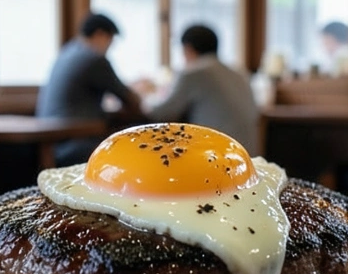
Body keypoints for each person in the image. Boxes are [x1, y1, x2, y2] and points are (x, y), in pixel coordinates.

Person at [37, 12, 142, 166]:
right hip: (75, 141)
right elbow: (129, 99)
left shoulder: (67, 52)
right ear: (100, 34)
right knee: (134, 142)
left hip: (51, 143)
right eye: (110, 41)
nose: (109, 48)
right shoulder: (94, 59)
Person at [146, 24, 260, 153]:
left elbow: (161, 112)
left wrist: (144, 98)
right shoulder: (239, 74)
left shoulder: (194, 73)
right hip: (249, 156)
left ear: (188, 49)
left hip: (219, 157)